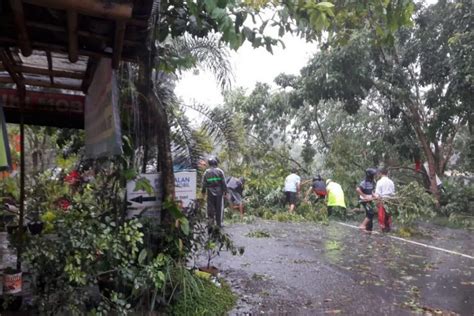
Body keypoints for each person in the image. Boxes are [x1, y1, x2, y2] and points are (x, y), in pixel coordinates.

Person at [201, 157, 227, 227]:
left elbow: (204, 183)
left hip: (210, 192)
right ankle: (218, 224)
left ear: (209, 164)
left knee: (210, 208)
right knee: (219, 208)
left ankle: (210, 223)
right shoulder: (220, 171)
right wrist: (225, 191)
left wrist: (203, 191)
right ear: (216, 163)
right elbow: (223, 182)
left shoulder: (206, 172)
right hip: (219, 192)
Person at [374, 168, 395, 232]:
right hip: (390, 199)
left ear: (380, 173)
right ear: (387, 173)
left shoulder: (379, 182)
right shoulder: (391, 182)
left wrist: (376, 198)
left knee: (382, 214)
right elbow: (393, 192)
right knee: (388, 213)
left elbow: (377, 193)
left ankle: (383, 227)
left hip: (382, 199)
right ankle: (388, 226)